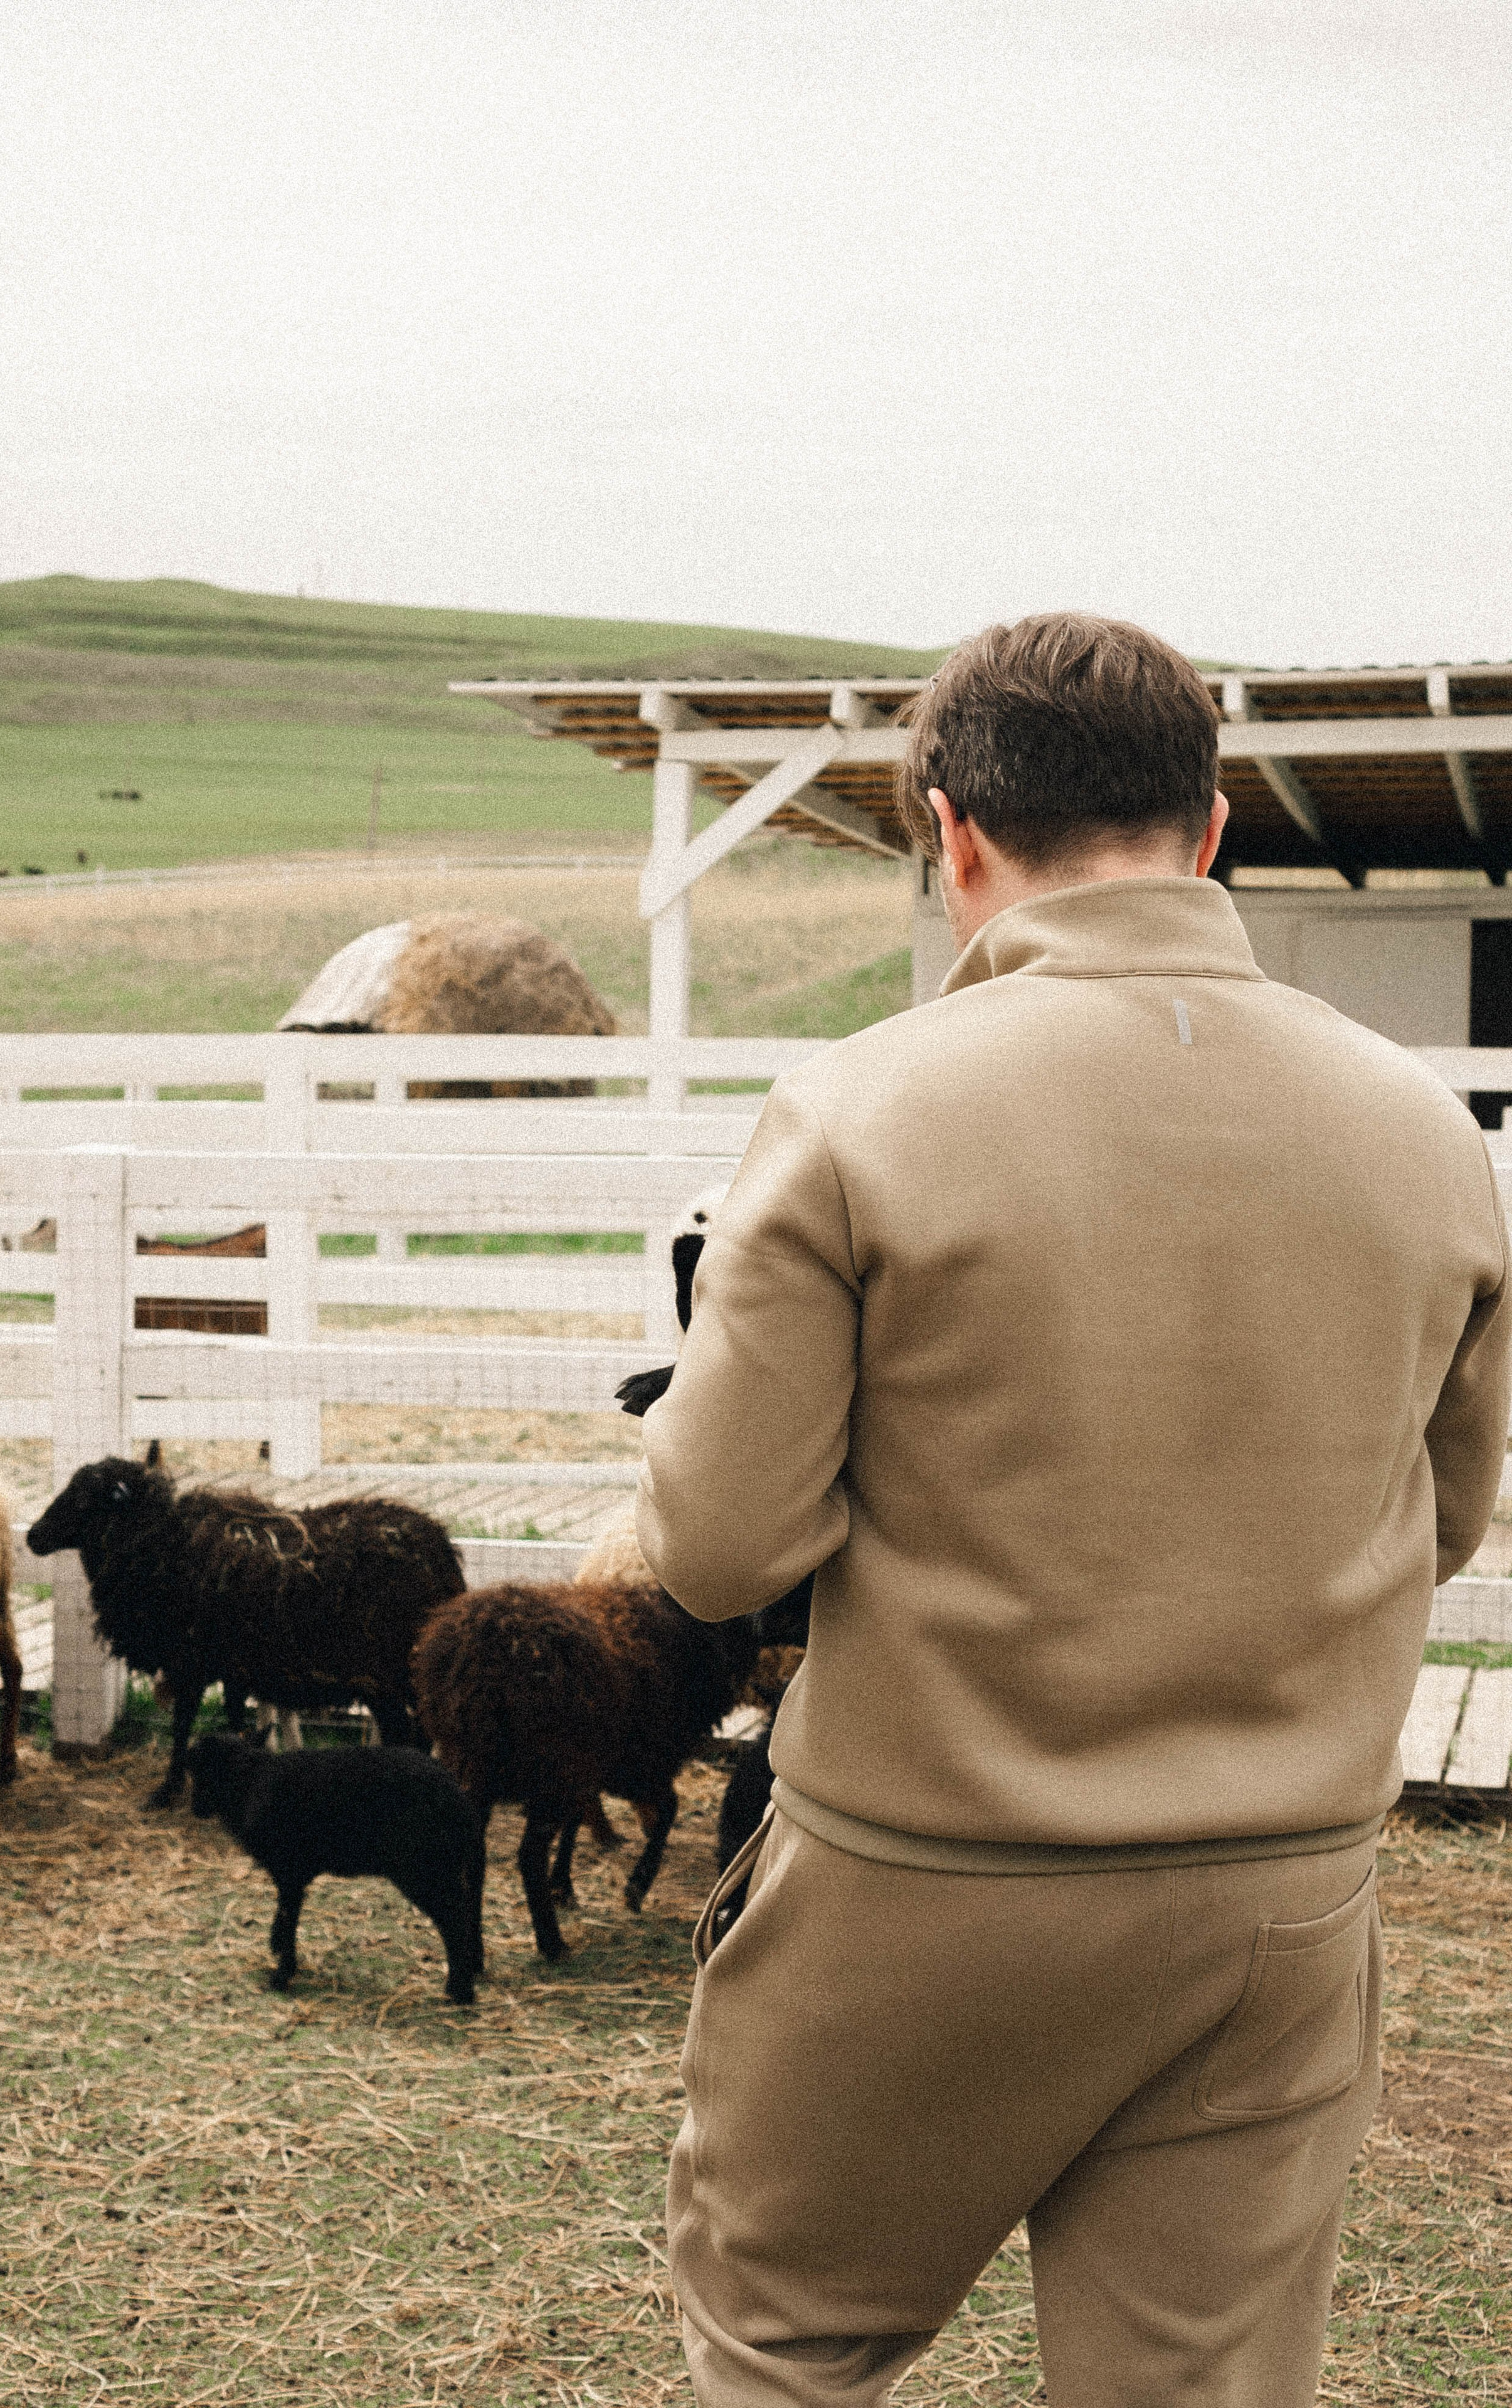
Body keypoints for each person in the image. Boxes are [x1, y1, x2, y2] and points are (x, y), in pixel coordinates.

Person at [635, 613, 1511, 2408]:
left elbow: (715, 1548)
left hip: (924, 1877)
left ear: (954, 835)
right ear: (1207, 831)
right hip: (1273, 1904)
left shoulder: (858, 1112)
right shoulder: (1425, 1135)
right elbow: (1445, 1523)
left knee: (787, 2352)